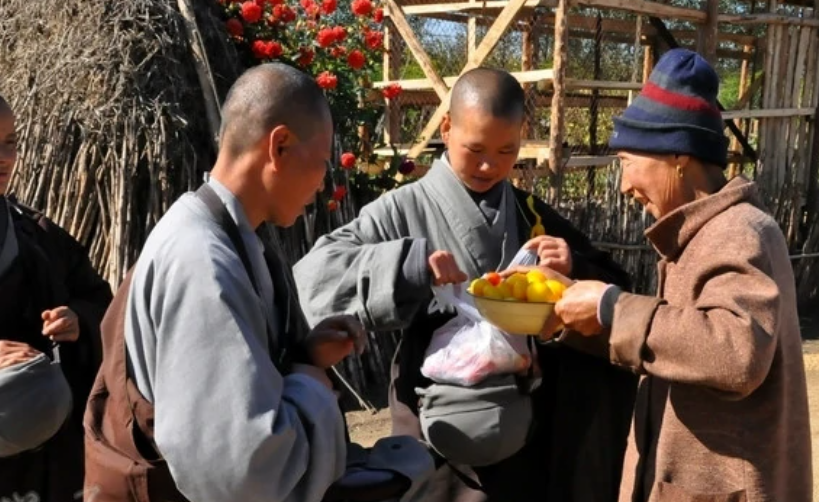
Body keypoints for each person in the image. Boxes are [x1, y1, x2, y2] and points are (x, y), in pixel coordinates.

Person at [294, 67, 637, 502]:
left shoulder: (530, 212)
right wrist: (408, 266)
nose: (490, 165)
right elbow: (313, 277)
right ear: (447, 127)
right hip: (439, 435)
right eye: (474, 149)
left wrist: (572, 267)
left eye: (506, 150)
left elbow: (615, 290)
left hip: (525, 433)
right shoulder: (402, 210)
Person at [83, 63, 368, 502]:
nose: (322, 182)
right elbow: (238, 471)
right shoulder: (201, 259)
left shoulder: (226, 236)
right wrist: (311, 382)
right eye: (323, 162)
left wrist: (302, 354)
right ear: (281, 145)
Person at [551, 49, 812, 501]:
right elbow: (674, 343)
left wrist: (611, 307)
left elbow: (736, 350)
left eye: (627, 162)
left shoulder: (737, 232)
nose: (624, 185)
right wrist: (564, 314)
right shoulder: (699, 233)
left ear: (677, 154)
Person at [0, 95, 113, 502]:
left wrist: (78, 320)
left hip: (45, 466)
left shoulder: (41, 238)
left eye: (11, 142)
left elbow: (105, 308)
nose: (4, 158)